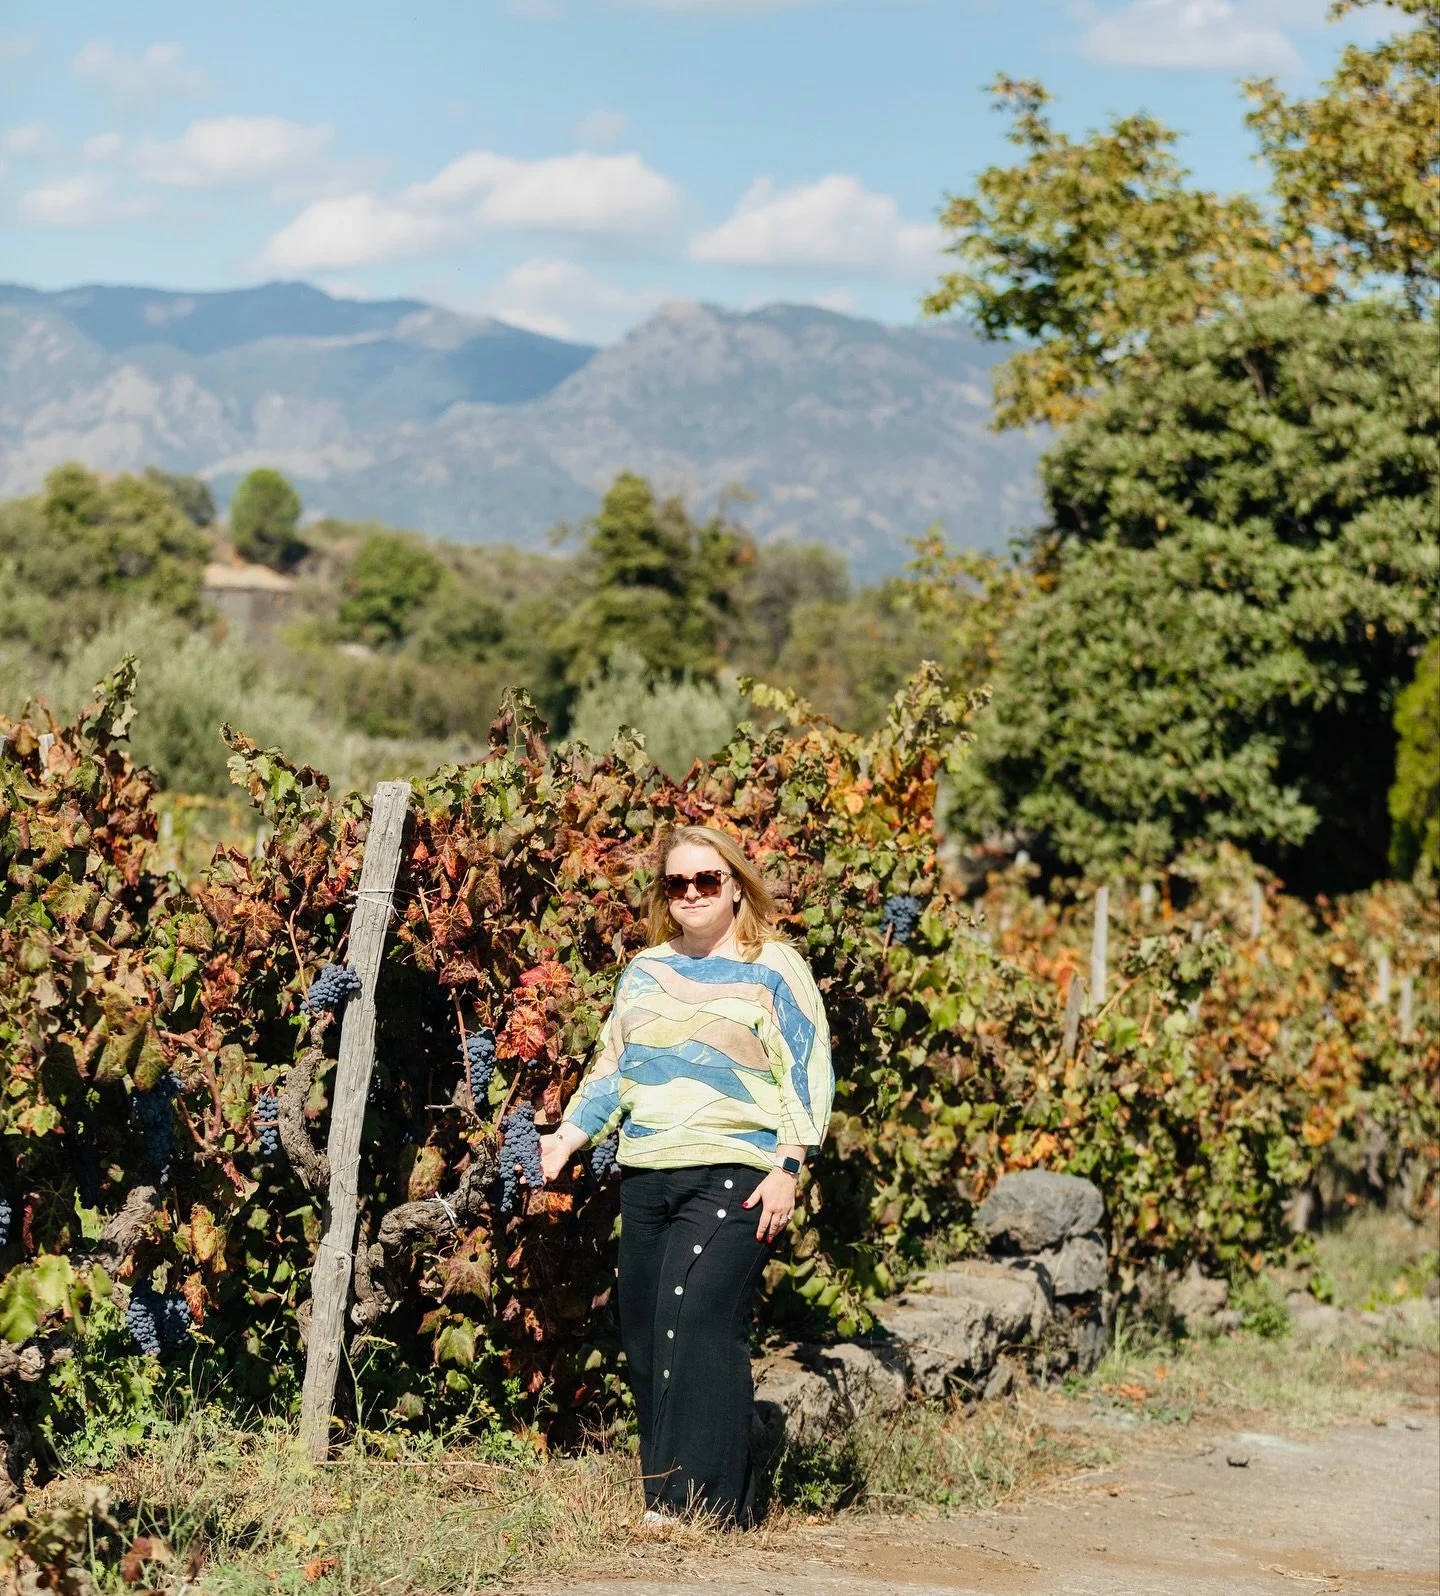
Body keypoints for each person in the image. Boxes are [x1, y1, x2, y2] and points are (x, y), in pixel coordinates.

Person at [537, 824, 833, 1527]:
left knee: (696, 1318)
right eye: (678, 883)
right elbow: (614, 1069)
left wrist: (791, 1165)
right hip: (646, 1173)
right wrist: (567, 1141)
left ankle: (709, 1510)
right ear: (665, 895)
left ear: (734, 886)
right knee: (645, 1329)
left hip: (738, 1169)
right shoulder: (644, 969)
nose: (692, 893)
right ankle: (665, 1497)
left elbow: (806, 1070)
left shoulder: (775, 967)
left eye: (706, 880)